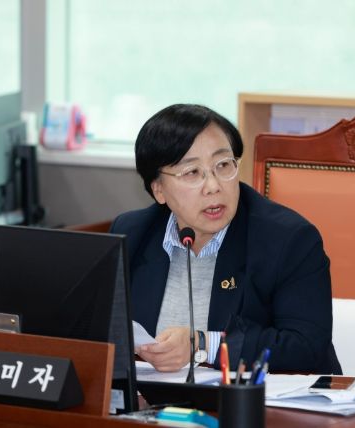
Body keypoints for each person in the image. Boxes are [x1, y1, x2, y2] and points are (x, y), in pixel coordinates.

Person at [111, 104, 341, 374]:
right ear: (159, 189)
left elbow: (306, 348)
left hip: (260, 398)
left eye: (223, 165)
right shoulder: (132, 233)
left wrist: (204, 345)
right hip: (153, 398)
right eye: (192, 172)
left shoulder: (289, 239)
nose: (213, 186)